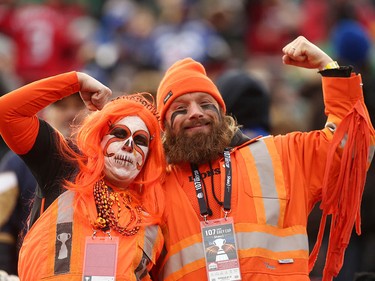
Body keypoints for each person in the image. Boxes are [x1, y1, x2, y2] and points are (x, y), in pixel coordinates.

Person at [153, 35, 375, 281]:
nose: (195, 113)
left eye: (205, 104)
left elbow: (353, 148)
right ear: (164, 126)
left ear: (222, 113)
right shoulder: (154, 186)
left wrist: (329, 69)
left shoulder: (280, 155)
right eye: (180, 109)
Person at [0, 71, 166, 280]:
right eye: (119, 133)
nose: (129, 145)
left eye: (140, 140)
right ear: (100, 136)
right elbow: (7, 112)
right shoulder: (64, 166)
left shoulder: (151, 215)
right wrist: (76, 81)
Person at [0, 92, 86, 276]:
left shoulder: (106, 163)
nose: (71, 113)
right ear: (46, 113)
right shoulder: (15, 163)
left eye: (78, 106)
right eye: (62, 107)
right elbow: (1, 224)